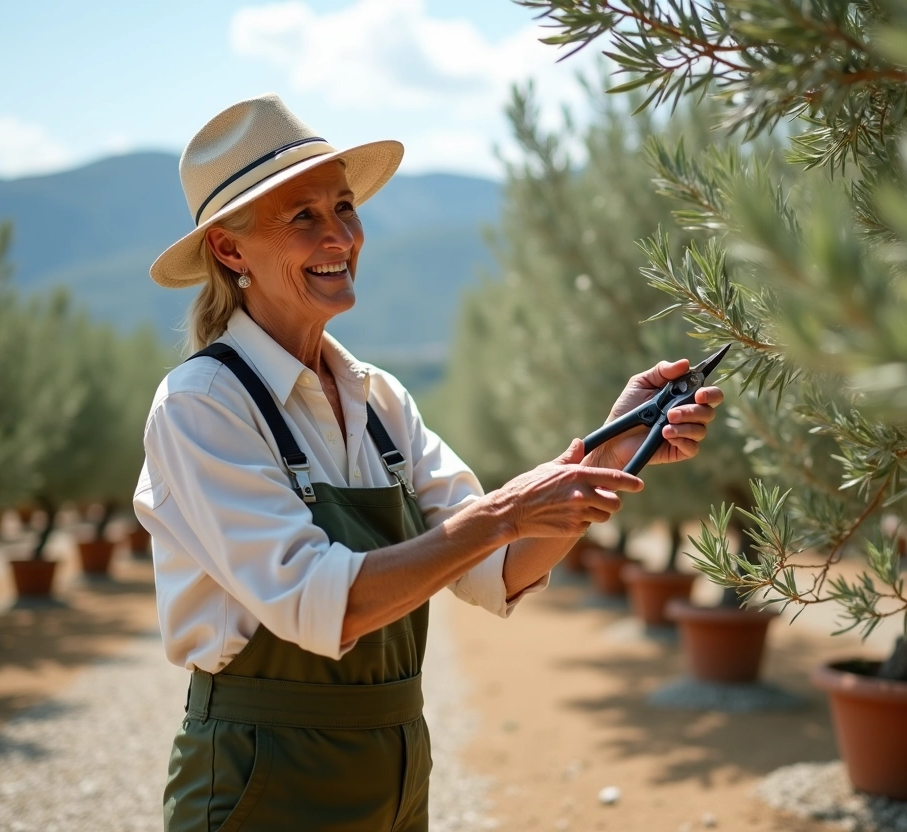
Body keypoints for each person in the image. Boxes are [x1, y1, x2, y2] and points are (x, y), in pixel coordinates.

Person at [135, 93, 723, 832]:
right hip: (263, 774)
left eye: (344, 208)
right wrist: (502, 510)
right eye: (303, 218)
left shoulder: (380, 399)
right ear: (229, 250)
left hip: (397, 767)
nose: (339, 236)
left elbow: (498, 567)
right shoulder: (202, 406)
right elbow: (318, 601)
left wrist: (611, 445)